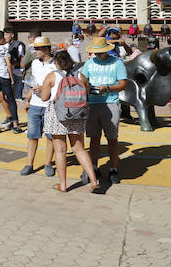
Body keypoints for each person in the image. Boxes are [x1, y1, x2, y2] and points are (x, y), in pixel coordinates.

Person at [40, 50, 100, 193]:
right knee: (79, 149)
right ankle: (94, 181)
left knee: (60, 151)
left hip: (57, 115)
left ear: (57, 62)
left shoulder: (52, 76)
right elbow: (87, 93)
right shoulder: (80, 75)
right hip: (77, 114)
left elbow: (44, 97)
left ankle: (63, 185)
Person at [80, 36, 128, 184]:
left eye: (100, 52)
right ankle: (93, 167)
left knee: (112, 139)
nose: (98, 55)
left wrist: (107, 88)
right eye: (96, 52)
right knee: (94, 139)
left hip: (111, 102)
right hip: (92, 104)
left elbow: (123, 84)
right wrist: (84, 84)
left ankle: (113, 169)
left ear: (106, 50)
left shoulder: (117, 63)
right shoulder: (89, 63)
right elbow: (83, 80)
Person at [20, 36, 56, 177]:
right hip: (35, 104)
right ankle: (29, 163)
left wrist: (44, 89)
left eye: (37, 49)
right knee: (32, 136)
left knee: (50, 136)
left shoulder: (56, 64)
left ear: (46, 49)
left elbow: (59, 84)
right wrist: (28, 99)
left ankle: (48, 163)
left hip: (50, 104)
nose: (35, 51)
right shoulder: (35, 63)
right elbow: (33, 82)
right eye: (34, 48)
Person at [4, 28, 26, 100]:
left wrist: (22, 68)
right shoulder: (6, 46)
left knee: (17, 92)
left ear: (12, 35)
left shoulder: (19, 45)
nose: (5, 37)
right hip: (8, 71)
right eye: (4, 35)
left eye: (7, 35)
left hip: (18, 70)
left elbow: (22, 57)